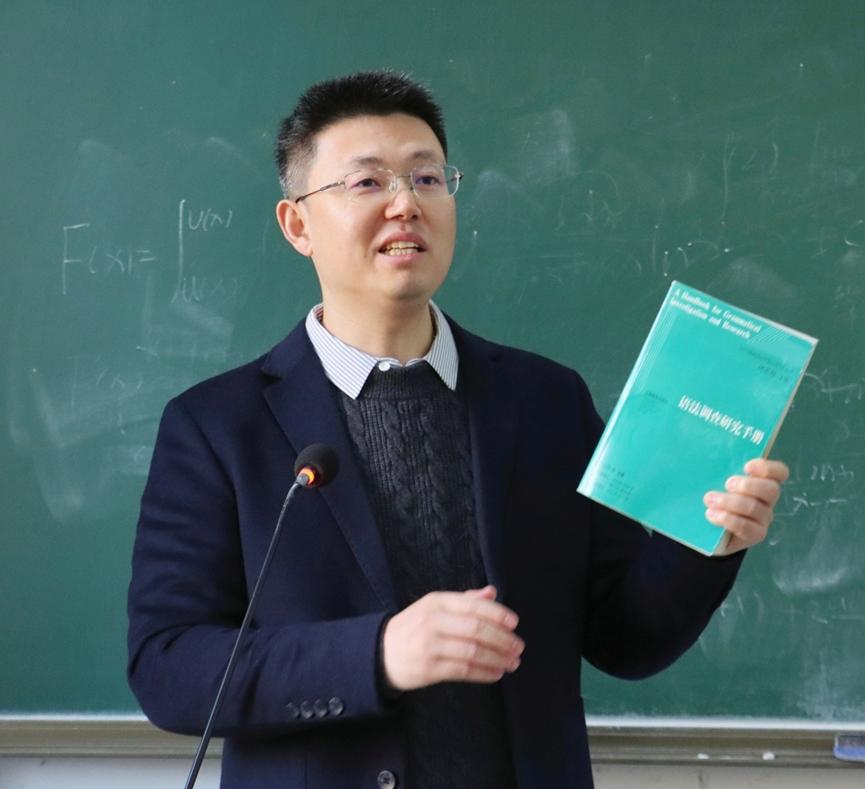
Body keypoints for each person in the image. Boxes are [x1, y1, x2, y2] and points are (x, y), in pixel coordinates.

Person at [127, 70, 790, 789]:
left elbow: (626, 640)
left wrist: (706, 542)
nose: (406, 203)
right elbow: (169, 668)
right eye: (367, 183)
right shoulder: (217, 426)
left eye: (427, 178)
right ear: (298, 225)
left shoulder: (546, 401)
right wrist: (378, 653)